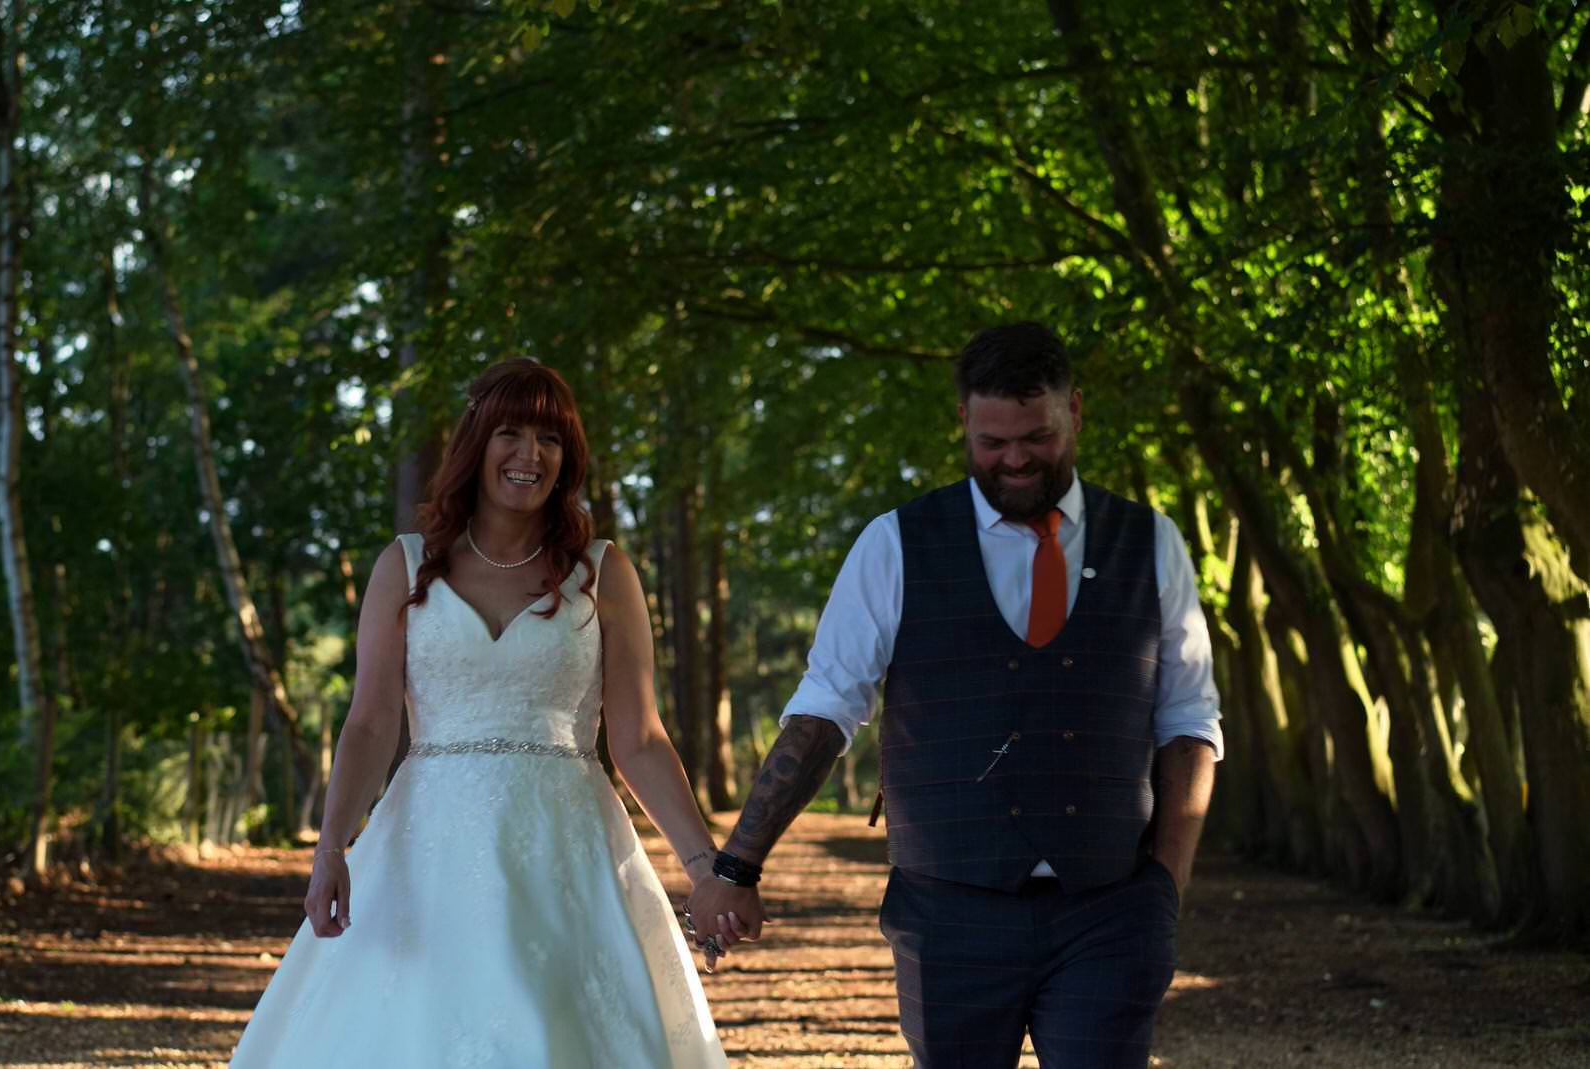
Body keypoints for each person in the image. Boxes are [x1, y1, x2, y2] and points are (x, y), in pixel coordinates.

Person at [689, 323, 1223, 1068]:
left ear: (1077, 409)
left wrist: (1167, 883)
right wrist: (739, 864)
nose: (1014, 460)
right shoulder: (894, 543)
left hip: (1112, 907)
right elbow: (827, 706)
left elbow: (1189, 720)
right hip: (948, 912)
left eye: (1036, 437)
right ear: (964, 423)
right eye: (991, 441)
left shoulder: (1152, 542)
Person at [230, 360, 731, 1067]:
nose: (531, 455)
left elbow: (640, 737)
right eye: (511, 433)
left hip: (567, 853)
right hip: (426, 851)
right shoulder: (403, 568)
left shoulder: (603, 573)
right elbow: (370, 723)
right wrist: (331, 847)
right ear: (475, 443)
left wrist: (706, 867)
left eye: (550, 440)